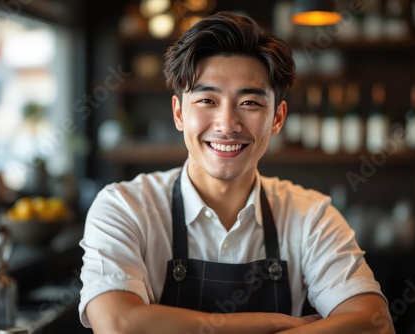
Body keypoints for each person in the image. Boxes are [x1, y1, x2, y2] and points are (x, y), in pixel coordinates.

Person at [79, 11, 394, 334]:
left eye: (250, 103)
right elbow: (119, 325)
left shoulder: (311, 216)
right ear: (179, 114)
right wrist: (269, 323)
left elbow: (375, 323)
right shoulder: (124, 208)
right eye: (206, 100)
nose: (227, 125)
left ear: (277, 118)